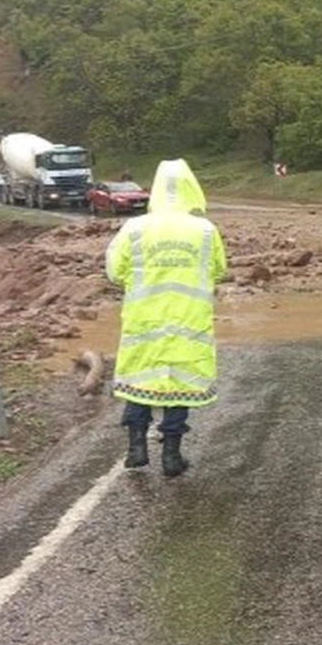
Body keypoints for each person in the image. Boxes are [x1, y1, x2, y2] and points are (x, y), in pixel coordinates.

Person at [105, 159, 228, 476]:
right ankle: (172, 456)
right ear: (192, 188)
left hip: (144, 321)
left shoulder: (134, 228)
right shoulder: (205, 231)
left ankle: (136, 448)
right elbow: (219, 269)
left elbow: (115, 271)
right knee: (180, 385)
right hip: (189, 322)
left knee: (139, 381)